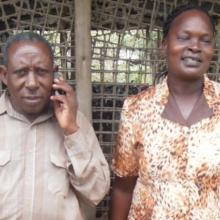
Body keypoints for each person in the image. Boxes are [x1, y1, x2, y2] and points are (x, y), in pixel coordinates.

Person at [109, 4, 220, 220]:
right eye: (184, 37)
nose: (195, 47)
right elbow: (123, 187)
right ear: (164, 45)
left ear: (212, 50)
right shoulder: (137, 109)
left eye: (204, 40)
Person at [0, 32, 110, 220]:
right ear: (4, 75)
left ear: (54, 73)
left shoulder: (74, 122)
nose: (32, 83)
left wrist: (71, 131)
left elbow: (97, 193)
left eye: (41, 72)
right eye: (21, 72)